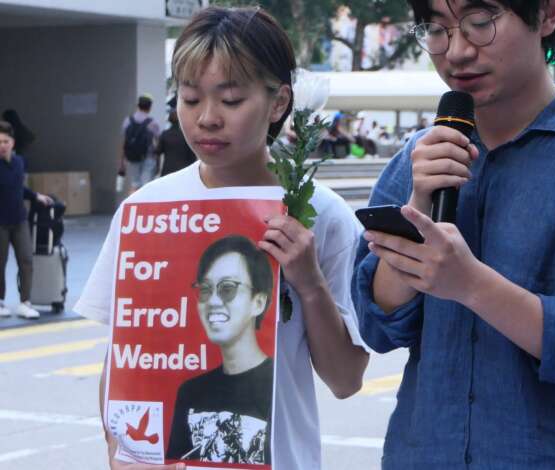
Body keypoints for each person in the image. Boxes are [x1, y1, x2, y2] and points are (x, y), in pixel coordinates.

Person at [352, 0, 555, 468]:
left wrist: (472, 285)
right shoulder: (419, 158)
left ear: (547, 13)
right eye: (436, 29)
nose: (456, 51)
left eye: (480, 24)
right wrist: (417, 207)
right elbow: (376, 326)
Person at [74, 7, 369, 470]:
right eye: (190, 99)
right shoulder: (146, 209)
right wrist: (120, 450)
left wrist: (309, 284)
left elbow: (347, 379)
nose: (207, 118)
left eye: (230, 100)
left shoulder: (321, 214)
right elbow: (125, 357)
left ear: (278, 102)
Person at [166, 235, 274, 464]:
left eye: (227, 288)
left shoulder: (281, 384)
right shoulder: (190, 392)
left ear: (259, 302)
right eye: (205, 289)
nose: (213, 301)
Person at [0, 120, 52, 320]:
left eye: (6, 141)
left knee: (26, 260)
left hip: (20, 219)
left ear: (12, 142)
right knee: (0, 262)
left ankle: (25, 302)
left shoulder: (19, 162)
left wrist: (35, 196)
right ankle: (1, 301)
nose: (2, 145)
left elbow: (17, 188)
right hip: (0, 222)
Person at [121, 94, 162, 193]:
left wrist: (121, 161)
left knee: (134, 184)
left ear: (137, 105)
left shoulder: (127, 121)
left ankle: (132, 207)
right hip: (148, 157)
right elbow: (158, 143)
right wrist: (158, 161)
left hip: (132, 157)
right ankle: (145, 208)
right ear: (150, 107)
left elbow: (124, 142)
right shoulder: (152, 123)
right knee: (146, 185)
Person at [156, 97, 197, 176]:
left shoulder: (165, 134)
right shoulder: (187, 135)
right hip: (184, 171)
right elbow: (193, 156)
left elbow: (157, 152)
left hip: (167, 171)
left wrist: (157, 168)